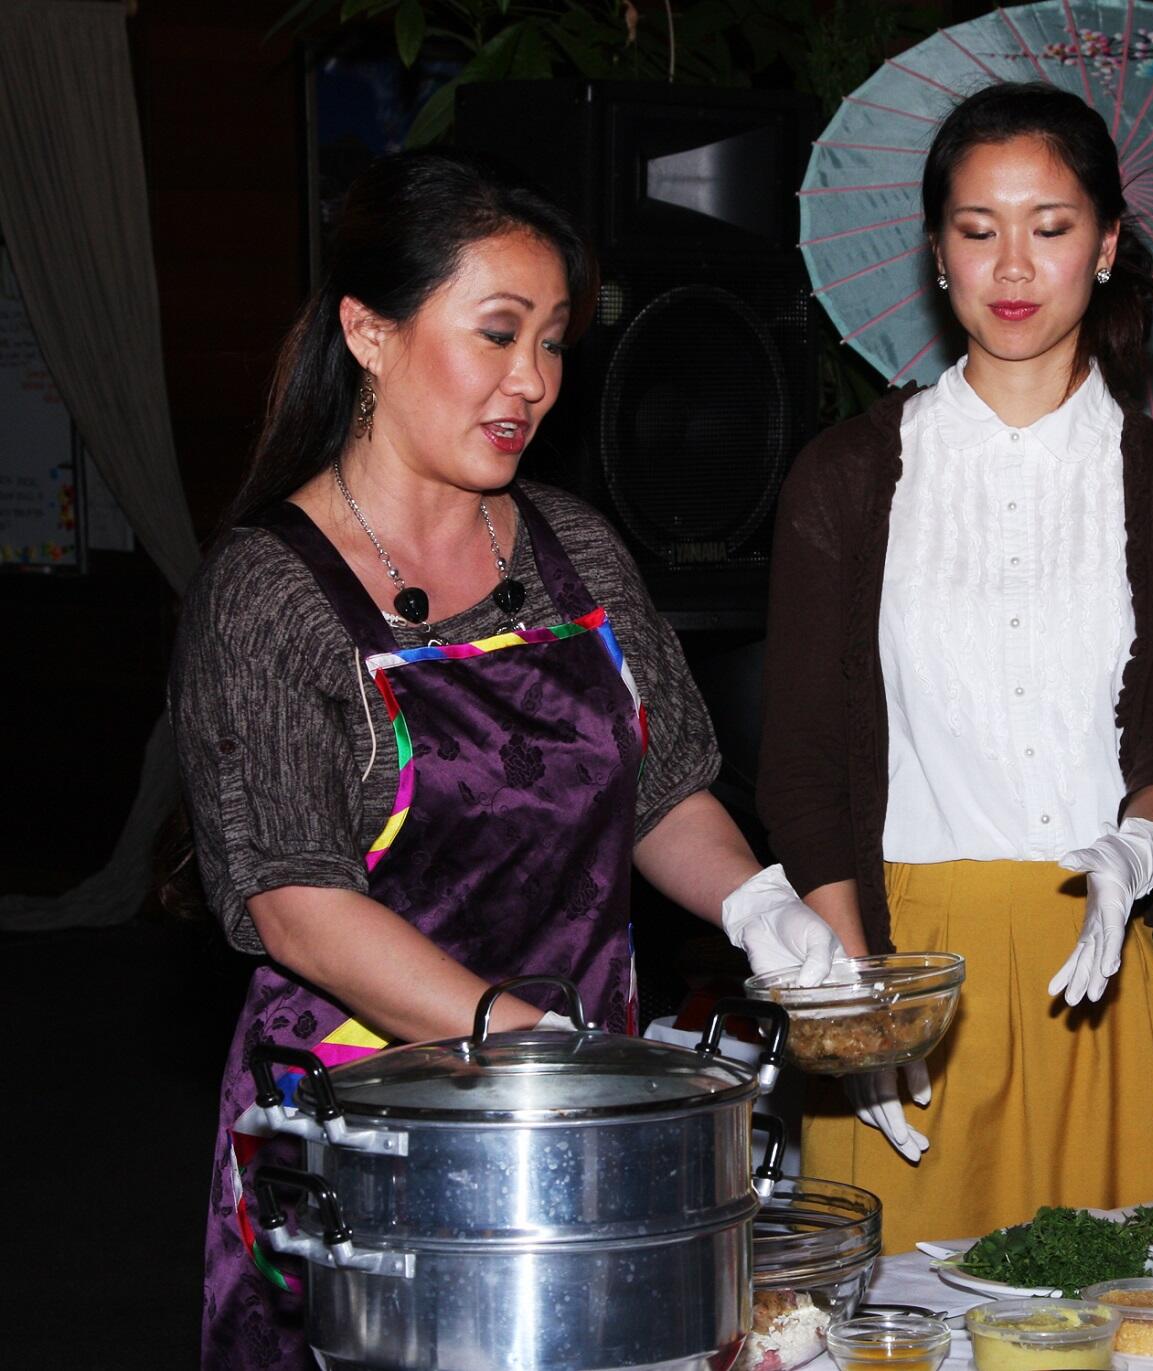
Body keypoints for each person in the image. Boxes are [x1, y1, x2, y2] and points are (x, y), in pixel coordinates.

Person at [173, 150, 837, 1370]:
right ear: (369, 333)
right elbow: (299, 905)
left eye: (553, 342)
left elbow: (661, 783)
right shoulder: (274, 594)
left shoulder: (574, 547)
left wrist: (759, 901)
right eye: (496, 334)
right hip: (366, 1135)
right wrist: (532, 1046)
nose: (532, 381)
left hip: (583, 1102)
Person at [753, 82, 1153, 1252]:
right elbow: (805, 765)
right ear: (938, 255)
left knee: (1145, 1321)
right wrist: (861, 1002)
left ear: (1110, 244)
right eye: (979, 230)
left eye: (1052, 226)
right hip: (908, 978)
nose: (1014, 266)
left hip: (1118, 961)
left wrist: (1140, 844)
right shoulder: (846, 478)